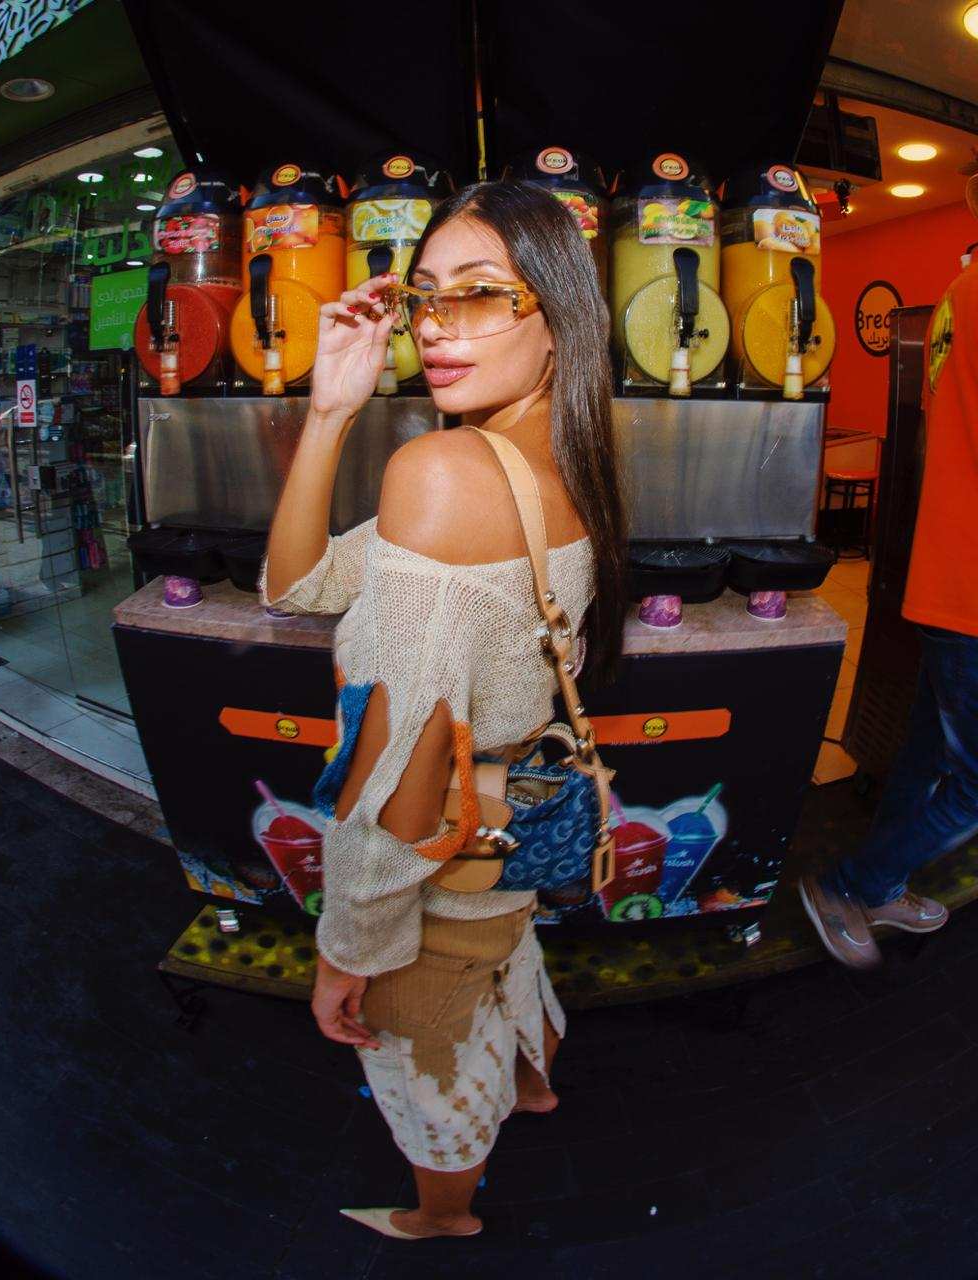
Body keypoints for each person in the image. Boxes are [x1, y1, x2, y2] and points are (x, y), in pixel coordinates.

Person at [259, 181, 627, 1238]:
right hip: (505, 838)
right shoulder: (555, 454)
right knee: (505, 964)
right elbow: (304, 585)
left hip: (442, 854)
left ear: (557, 313)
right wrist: (332, 407)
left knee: (422, 1065)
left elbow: (399, 765)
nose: (434, 326)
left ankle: (442, 1216)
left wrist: (349, 947)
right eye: (425, 296)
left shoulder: (443, 472)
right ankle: (535, 1082)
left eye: (480, 295)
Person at [799, 192, 978, 970]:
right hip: (971, 587)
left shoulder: (958, 292)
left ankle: (882, 883)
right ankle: (851, 884)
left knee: (925, 758)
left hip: (950, 570)